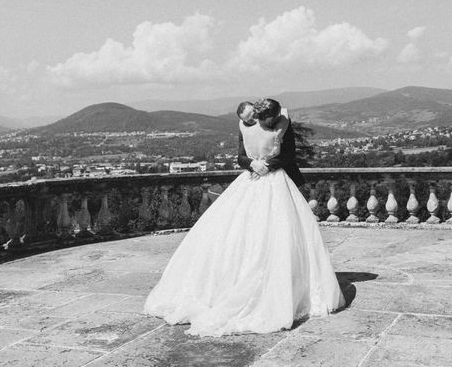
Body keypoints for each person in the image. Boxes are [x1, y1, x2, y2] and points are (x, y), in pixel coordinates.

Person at [143, 98, 345, 337]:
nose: (261, 122)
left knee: (282, 232)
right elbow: (240, 156)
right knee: (243, 232)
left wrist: (267, 165)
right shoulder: (246, 126)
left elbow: (289, 155)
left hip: (277, 180)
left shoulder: (283, 124)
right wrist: (253, 165)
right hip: (251, 181)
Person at [237, 99, 305, 187]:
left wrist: (265, 168)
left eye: (254, 115)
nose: (255, 120)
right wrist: (254, 164)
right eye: (249, 121)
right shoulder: (245, 130)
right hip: (256, 180)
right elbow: (241, 158)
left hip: (285, 177)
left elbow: (289, 152)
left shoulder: (280, 122)